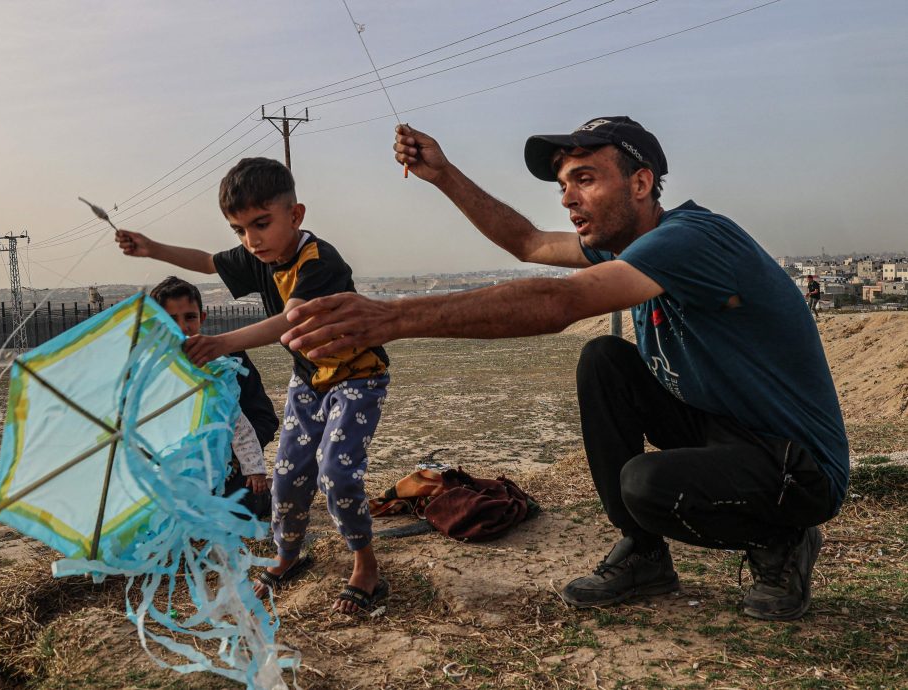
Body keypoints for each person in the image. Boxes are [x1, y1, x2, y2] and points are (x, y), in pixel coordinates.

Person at [280, 117, 848, 621]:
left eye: (586, 179)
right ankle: (644, 555)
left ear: (642, 183)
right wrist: (444, 174)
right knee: (605, 361)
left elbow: (559, 303)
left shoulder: (691, 239)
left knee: (644, 485)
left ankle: (784, 540)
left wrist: (394, 318)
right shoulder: (631, 246)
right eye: (563, 185)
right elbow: (527, 242)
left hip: (795, 467)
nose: (568, 198)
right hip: (722, 431)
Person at [117, 158, 391, 615]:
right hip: (309, 381)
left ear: (295, 215)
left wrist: (221, 342)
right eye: (239, 229)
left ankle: (365, 565)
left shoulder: (319, 260)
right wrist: (152, 248)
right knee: (286, 476)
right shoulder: (257, 256)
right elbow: (207, 262)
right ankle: (287, 556)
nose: (251, 239)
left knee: (336, 474)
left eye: (261, 224)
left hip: (358, 378)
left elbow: (292, 319)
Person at [149, 276, 278, 520]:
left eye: (189, 317)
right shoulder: (150, 373)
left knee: (232, 514)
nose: (182, 327)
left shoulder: (230, 361)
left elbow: (265, 419)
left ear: (202, 318)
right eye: (170, 319)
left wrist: (233, 456)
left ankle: (266, 491)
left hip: (231, 474)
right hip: (177, 476)